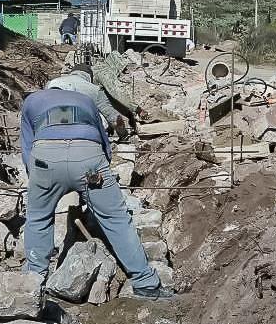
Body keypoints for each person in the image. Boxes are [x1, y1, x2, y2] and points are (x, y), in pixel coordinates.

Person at [19, 82, 173, 299]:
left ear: (48, 89)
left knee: (38, 218)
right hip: (89, 158)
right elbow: (104, 144)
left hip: (45, 160)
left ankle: (33, 282)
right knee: (116, 218)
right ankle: (145, 283)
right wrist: (99, 183)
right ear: (69, 91)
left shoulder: (32, 100)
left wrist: (39, 181)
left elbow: (26, 147)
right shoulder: (86, 100)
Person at [47, 64, 130, 139]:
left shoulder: (53, 82)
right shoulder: (94, 89)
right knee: (101, 118)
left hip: (50, 127)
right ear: (89, 77)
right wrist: (124, 134)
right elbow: (113, 118)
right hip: (79, 131)